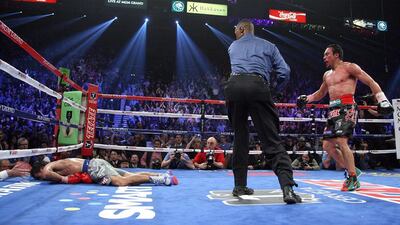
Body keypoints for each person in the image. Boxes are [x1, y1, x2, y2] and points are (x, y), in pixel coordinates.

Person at [297, 44, 394, 191]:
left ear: (336, 55)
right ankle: (352, 169)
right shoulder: (327, 75)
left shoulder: (350, 67)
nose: (324, 57)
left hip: (347, 107)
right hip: (332, 109)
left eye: (327, 54)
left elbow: (370, 82)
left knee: (341, 141)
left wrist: (382, 99)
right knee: (327, 146)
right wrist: (307, 99)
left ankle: (353, 178)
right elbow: (320, 93)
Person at [224, 19, 301, 204]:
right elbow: (285, 71)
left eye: (236, 29)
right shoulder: (269, 45)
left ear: (242, 29)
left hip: (233, 87)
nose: (234, 32)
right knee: (271, 140)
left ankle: (239, 185)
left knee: (240, 137)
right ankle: (287, 188)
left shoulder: (232, 46)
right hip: (258, 86)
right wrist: (274, 91)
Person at [30, 158, 178, 186]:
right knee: (128, 175)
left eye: (40, 176)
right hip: (96, 164)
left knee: (121, 182)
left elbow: (48, 174)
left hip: (93, 168)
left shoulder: (50, 165)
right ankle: (161, 175)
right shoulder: (58, 164)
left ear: (41, 168)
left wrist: (64, 180)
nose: (43, 178)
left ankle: (162, 180)